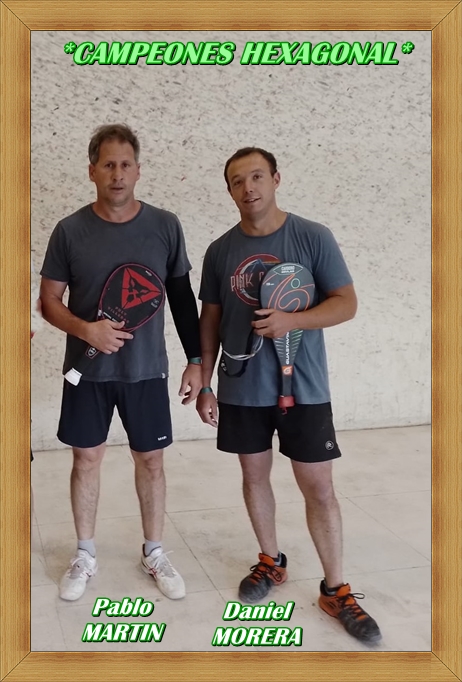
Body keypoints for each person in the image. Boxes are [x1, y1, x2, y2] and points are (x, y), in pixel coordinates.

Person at [196, 147, 381, 643]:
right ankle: (270, 560)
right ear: (229, 191)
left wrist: (292, 320)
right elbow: (210, 319)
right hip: (241, 387)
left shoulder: (313, 236)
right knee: (254, 476)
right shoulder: (219, 251)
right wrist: (207, 381)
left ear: (276, 179)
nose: (249, 187)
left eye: (257, 176)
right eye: (238, 181)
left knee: (319, 488)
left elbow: (346, 303)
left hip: (305, 387)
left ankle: (335, 589)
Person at [40, 123, 202, 602]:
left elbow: (181, 299)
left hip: (146, 371)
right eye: (107, 164)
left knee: (150, 460)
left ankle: (154, 551)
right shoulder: (69, 231)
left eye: (125, 164)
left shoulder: (165, 225)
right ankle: (84, 554)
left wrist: (196, 360)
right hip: (86, 373)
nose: (117, 174)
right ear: (92, 171)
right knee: (86, 459)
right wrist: (86, 330)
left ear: (138, 170)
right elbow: (48, 301)